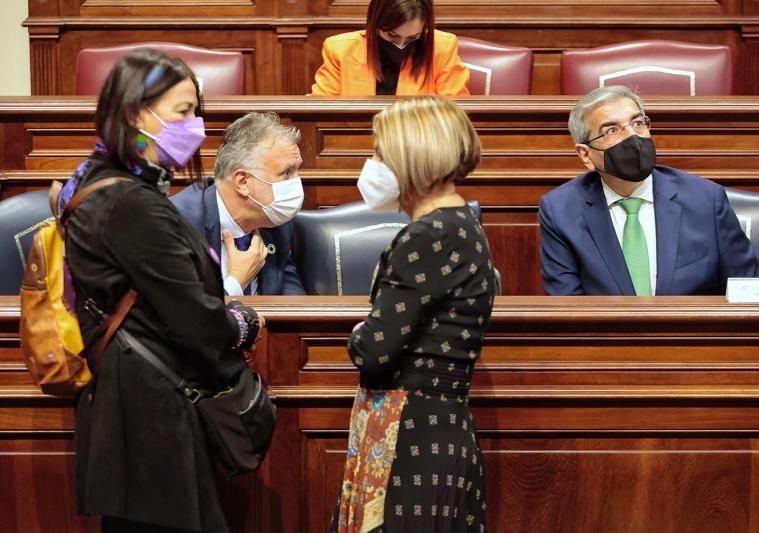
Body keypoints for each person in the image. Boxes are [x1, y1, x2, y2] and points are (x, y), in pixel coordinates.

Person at [62, 48, 262, 532]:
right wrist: (240, 321)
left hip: (134, 407)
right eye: (182, 112)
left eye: (196, 111)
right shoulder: (130, 203)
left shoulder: (99, 182)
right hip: (151, 418)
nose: (194, 125)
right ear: (135, 113)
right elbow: (195, 318)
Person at [330, 96, 493, 532]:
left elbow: (373, 351)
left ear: (412, 156)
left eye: (379, 154)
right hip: (437, 431)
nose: (371, 165)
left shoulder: (428, 235)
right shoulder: (461, 223)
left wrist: (359, 332)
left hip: (413, 436)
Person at [539, 85, 759, 296]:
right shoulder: (560, 211)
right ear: (586, 155)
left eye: (637, 123)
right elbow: (568, 306)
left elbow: (746, 290)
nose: (632, 137)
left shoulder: (706, 199)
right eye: (612, 130)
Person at [171, 112, 306, 296]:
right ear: (242, 182)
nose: (296, 182)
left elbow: (291, 295)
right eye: (287, 172)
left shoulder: (275, 221)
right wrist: (236, 281)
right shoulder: (178, 225)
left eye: (297, 170)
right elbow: (185, 315)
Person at [310, 0, 469, 96]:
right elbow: (322, 109)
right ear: (375, 25)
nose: (401, 45)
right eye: (393, 35)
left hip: (421, 146)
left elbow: (454, 113)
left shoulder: (442, 47)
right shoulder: (340, 50)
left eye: (413, 37)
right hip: (356, 144)